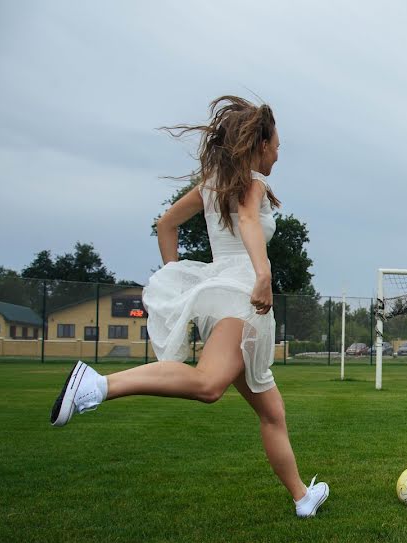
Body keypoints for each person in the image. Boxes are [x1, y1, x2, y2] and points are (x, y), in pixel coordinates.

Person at [49, 96, 328, 518]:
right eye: (276, 144)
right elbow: (249, 224)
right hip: (240, 300)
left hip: (226, 294)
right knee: (209, 385)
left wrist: (180, 278)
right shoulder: (248, 185)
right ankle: (96, 385)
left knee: (272, 411)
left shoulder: (214, 186)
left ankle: (302, 498)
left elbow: (166, 225)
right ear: (259, 143)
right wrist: (262, 275)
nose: (278, 151)